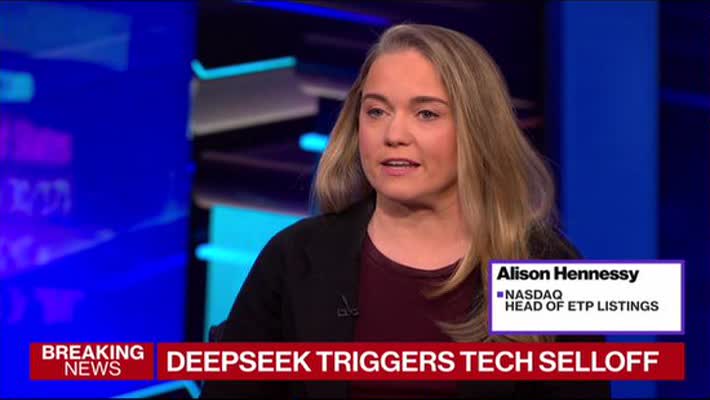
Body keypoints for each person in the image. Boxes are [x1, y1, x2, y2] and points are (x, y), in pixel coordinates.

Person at [200, 23, 610, 399]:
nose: (394, 134)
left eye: (426, 113)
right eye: (376, 112)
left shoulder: (546, 266)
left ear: (477, 130)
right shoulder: (294, 258)